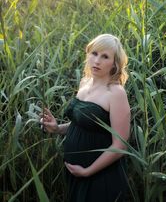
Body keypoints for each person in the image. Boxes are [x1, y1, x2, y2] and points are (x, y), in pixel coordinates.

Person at [41, 34, 131, 202]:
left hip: (100, 176)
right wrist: (57, 128)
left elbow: (120, 144)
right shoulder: (85, 82)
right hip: (75, 173)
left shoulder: (116, 93)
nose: (97, 61)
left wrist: (88, 171)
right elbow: (83, 124)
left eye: (105, 56)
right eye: (94, 53)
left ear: (115, 63)